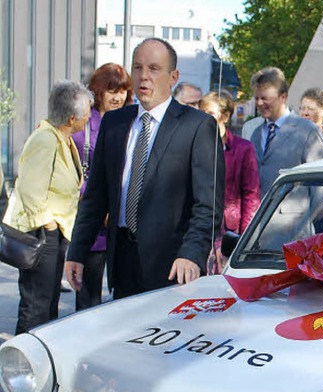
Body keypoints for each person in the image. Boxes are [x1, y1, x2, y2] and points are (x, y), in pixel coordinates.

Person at [65, 38, 224, 299]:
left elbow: (208, 205)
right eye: (137, 68)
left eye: (153, 68)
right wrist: (77, 252)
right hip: (122, 263)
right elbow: (96, 197)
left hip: (174, 268)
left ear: (173, 76)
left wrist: (191, 254)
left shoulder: (197, 127)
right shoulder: (115, 123)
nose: (144, 77)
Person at [3, 81, 92, 334]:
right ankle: (22, 362)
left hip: (55, 232)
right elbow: (30, 189)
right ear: (72, 117)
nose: (89, 115)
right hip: (41, 232)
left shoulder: (63, 139)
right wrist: (49, 223)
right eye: (86, 111)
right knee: (36, 303)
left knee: (49, 300)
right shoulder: (45, 138)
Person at [71, 63, 133, 310]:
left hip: (124, 223)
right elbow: (71, 171)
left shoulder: (133, 121)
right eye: (111, 91)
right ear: (98, 92)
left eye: (122, 91)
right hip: (94, 223)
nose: (118, 97)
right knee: (88, 297)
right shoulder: (84, 125)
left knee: (125, 298)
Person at [199, 90, 260, 272]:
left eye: (209, 114)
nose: (203, 119)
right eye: (200, 113)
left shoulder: (243, 148)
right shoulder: (194, 144)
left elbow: (251, 194)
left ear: (225, 116)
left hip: (228, 230)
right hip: (199, 228)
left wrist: (243, 238)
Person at [248, 66, 323, 197]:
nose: (260, 103)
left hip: (294, 217)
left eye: (265, 98)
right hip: (259, 214)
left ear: (283, 97)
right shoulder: (256, 133)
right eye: (256, 98)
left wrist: (307, 217)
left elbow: (319, 186)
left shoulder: (308, 132)